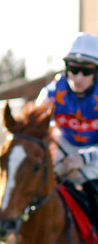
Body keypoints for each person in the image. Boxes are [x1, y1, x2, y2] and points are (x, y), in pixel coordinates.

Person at [37, 32, 98, 227]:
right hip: (62, 148)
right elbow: (34, 132)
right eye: (74, 69)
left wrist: (83, 158)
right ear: (66, 68)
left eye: (86, 71)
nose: (78, 77)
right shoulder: (51, 93)